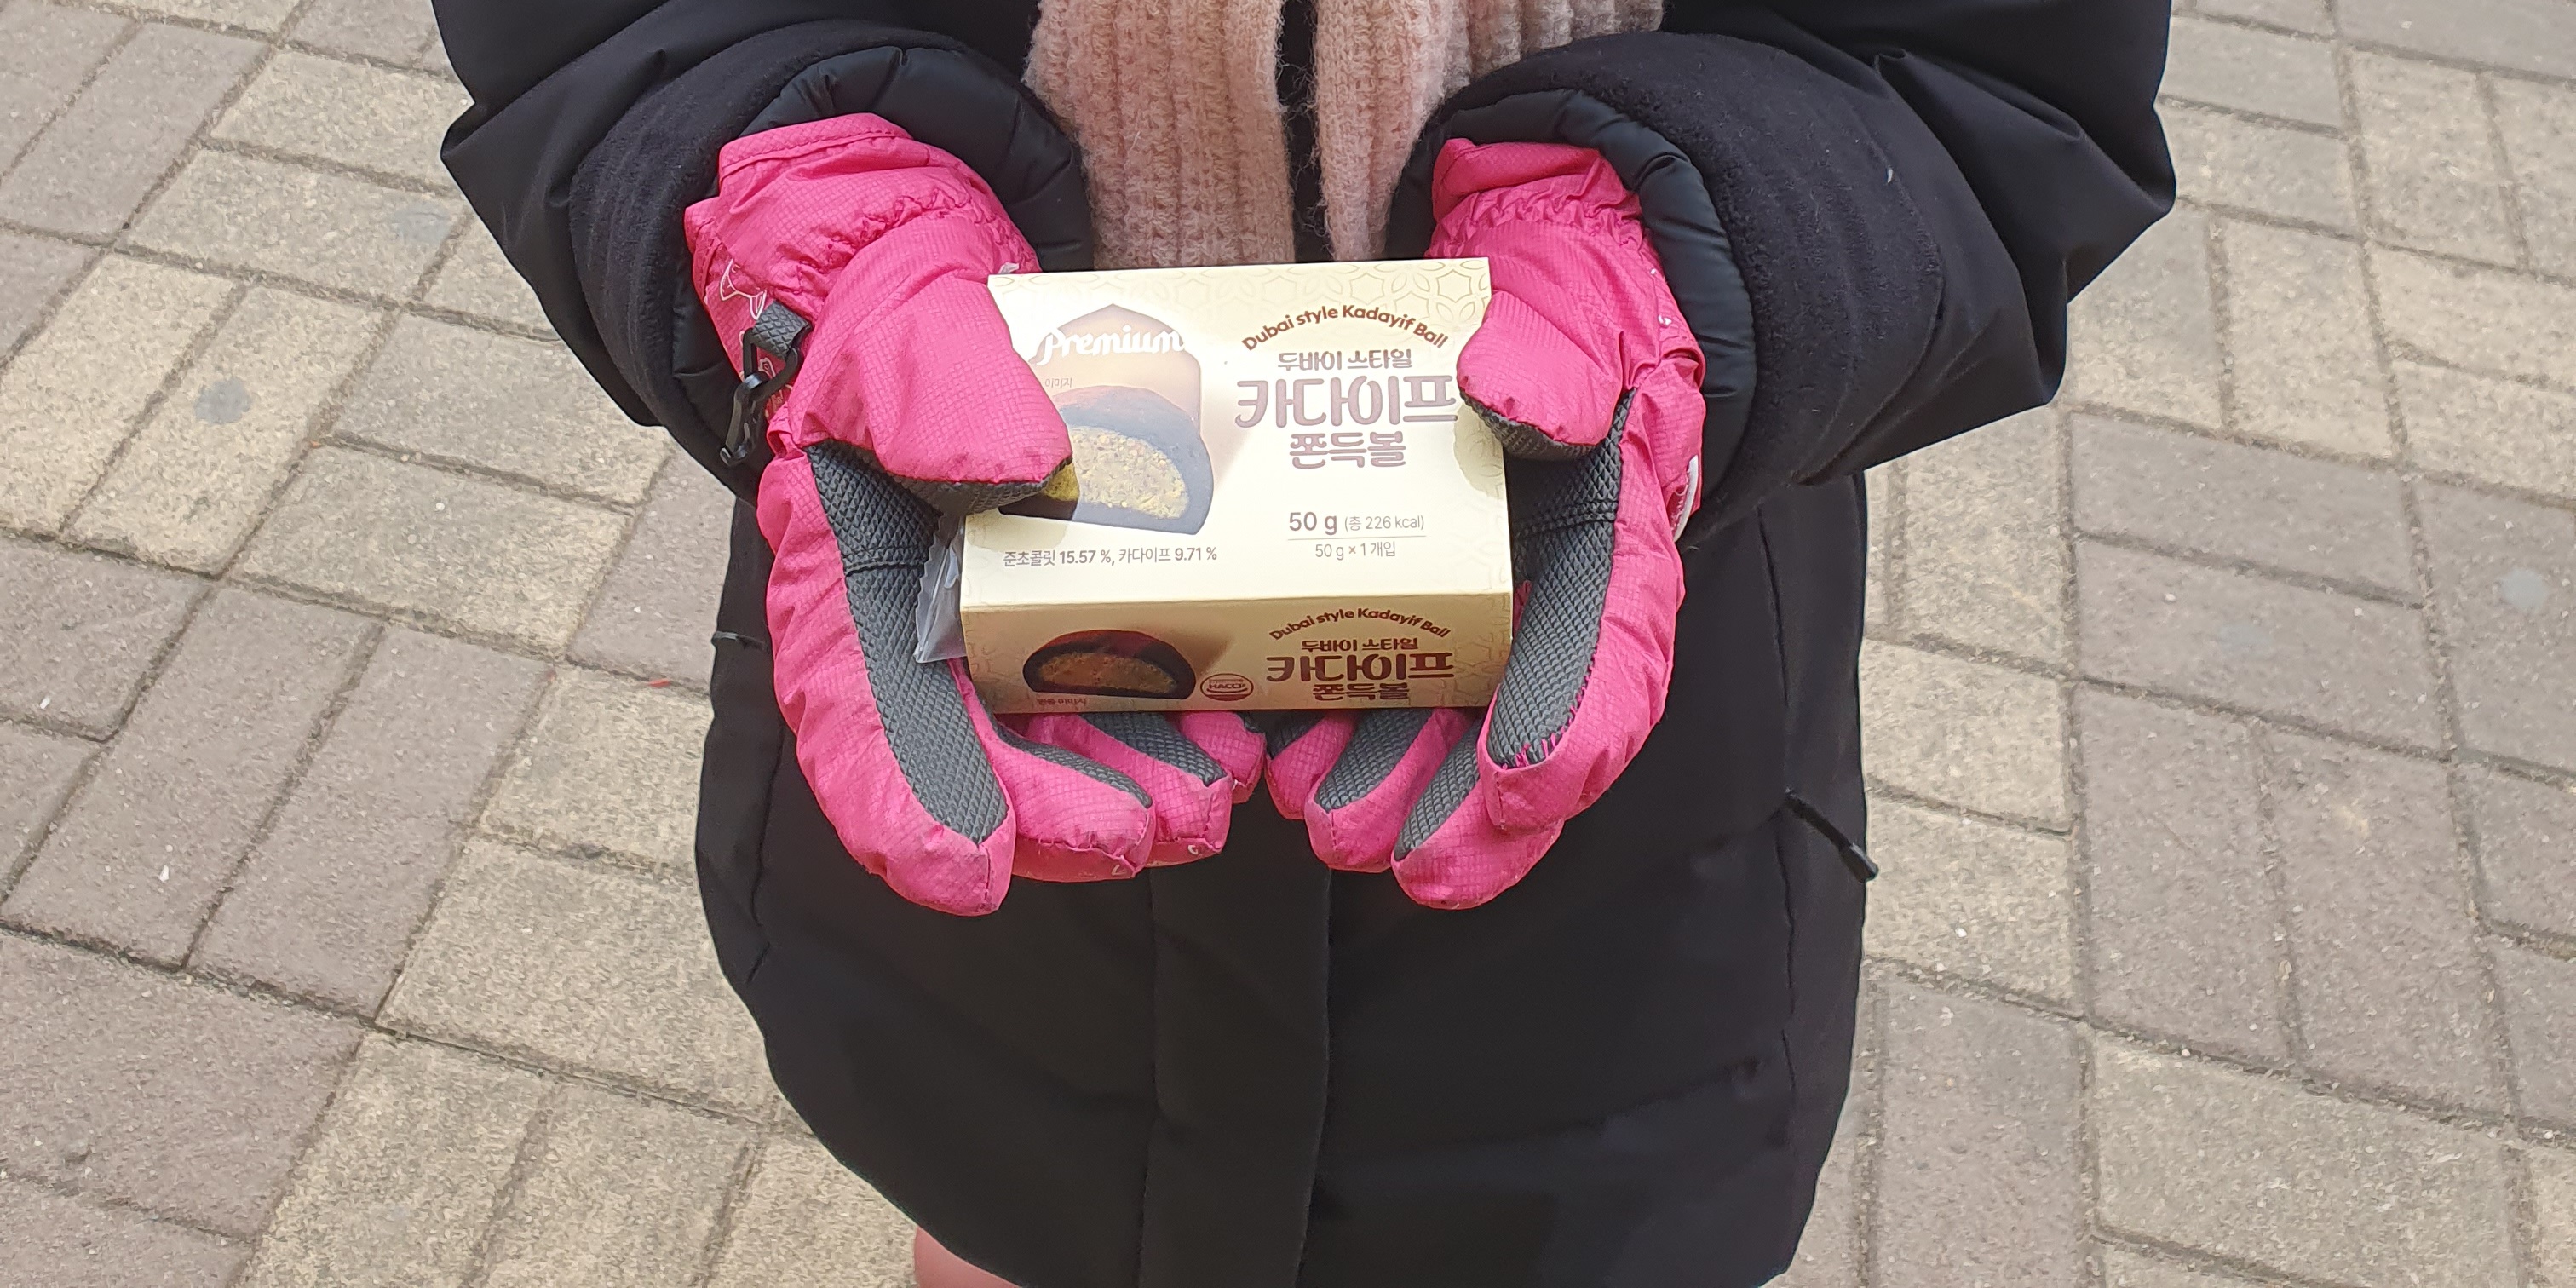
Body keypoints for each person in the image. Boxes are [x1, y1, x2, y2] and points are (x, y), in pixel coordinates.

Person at [431, 2, 2171, 1285]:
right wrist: (808, 222)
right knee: (1001, 1197)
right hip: (950, 605)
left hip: (1621, 697)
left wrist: (1680, 266)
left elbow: (1994, 74)